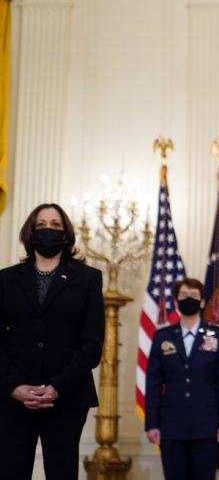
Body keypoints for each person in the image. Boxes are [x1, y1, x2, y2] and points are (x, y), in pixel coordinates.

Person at [0, 203, 105, 479]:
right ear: (31, 232)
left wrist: (58, 386)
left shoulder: (88, 278)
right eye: (42, 224)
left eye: (56, 225)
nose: (49, 229)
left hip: (67, 398)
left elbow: (92, 343)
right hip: (13, 399)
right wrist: (15, 386)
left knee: (61, 472)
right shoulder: (6, 279)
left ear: (66, 233)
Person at [145, 277, 219, 480]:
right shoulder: (163, 337)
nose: (188, 299)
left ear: (202, 302)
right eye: (183, 296)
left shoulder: (218, 336)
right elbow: (153, 383)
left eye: (193, 296)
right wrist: (152, 423)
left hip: (208, 426)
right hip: (171, 427)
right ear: (176, 302)